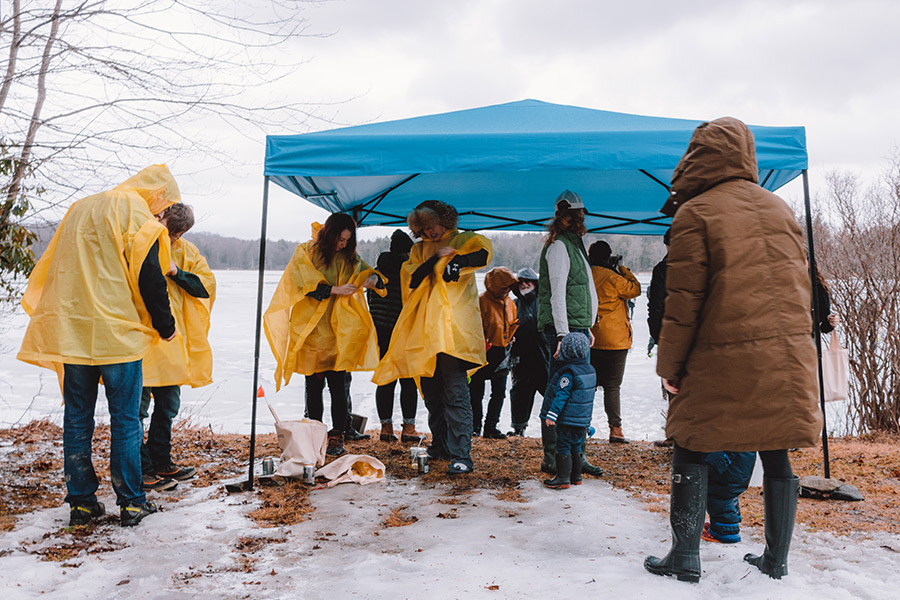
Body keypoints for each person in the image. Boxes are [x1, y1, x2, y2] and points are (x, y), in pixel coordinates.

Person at [644, 117, 822, 583]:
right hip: (783, 357)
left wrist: (670, 367)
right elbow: (799, 288)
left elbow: (683, 304)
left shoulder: (695, 213)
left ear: (696, 157)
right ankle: (776, 559)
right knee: (776, 449)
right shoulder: (778, 208)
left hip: (717, 356)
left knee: (689, 444)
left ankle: (685, 554)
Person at [18, 164, 180, 527]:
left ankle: (81, 502)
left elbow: (56, 264)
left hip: (74, 331)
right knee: (125, 420)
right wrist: (165, 325)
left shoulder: (81, 208)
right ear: (157, 196)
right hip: (117, 336)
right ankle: (132, 502)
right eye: (164, 206)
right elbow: (149, 274)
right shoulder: (137, 213)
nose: (162, 213)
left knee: (77, 418)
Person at [373, 200, 492, 475]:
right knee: (432, 395)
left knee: (456, 393)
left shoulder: (463, 240)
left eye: (433, 225)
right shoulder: (417, 250)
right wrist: (437, 259)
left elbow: (484, 253)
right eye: (423, 228)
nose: (430, 231)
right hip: (425, 335)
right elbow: (412, 279)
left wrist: (460, 260)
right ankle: (440, 445)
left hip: (453, 333)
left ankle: (462, 454)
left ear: (445, 220)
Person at [264, 213, 384, 457]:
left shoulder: (349, 257)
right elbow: (299, 283)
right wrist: (333, 290)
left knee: (339, 385)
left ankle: (337, 435)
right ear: (330, 234)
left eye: (347, 241)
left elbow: (369, 274)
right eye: (340, 239)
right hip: (311, 330)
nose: (342, 245)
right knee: (314, 384)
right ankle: (315, 433)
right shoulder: (307, 251)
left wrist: (373, 280)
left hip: (338, 333)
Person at [140, 203, 216, 491]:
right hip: (143, 340)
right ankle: (143, 469)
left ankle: (161, 461)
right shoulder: (143, 241)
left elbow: (205, 285)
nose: (169, 238)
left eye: (174, 235)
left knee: (168, 405)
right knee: (137, 410)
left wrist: (175, 272)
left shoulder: (187, 251)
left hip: (172, 341)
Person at [536, 190, 602, 478]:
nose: (579, 220)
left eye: (579, 215)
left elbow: (584, 287)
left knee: (579, 393)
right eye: (576, 215)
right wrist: (563, 335)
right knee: (560, 391)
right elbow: (557, 294)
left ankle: (576, 456)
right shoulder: (560, 247)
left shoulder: (575, 245)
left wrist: (586, 327)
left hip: (578, 328)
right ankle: (554, 458)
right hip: (565, 331)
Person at [367, 229, 421, 443]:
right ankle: (409, 428)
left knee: (385, 380)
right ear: (408, 252)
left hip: (381, 333)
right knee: (408, 381)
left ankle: (386, 429)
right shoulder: (409, 272)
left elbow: (371, 303)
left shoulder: (376, 272)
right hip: (405, 333)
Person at [587, 240, 641, 444]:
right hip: (615, 341)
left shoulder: (585, 274)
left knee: (586, 385)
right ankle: (615, 430)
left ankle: (581, 425)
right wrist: (621, 267)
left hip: (590, 336)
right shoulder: (613, 277)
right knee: (612, 387)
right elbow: (635, 289)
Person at [539, 333, 596, 489]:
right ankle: (576, 477)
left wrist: (552, 415)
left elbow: (561, 396)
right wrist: (587, 421)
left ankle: (563, 478)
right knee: (577, 447)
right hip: (581, 420)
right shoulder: (589, 370)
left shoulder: (568, 374)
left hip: (567, 420)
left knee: (563, 447)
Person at [469, 266, 519, 439]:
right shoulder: (481, 301)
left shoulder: (510, 302)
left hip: (503, 352)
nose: (506, 290)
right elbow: (473, 327)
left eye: (508, 287)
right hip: (482, 352)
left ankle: (491, 427)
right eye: (503, 287)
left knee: (499, 392)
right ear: (494, 285)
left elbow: (513, 323)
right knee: (476, 390)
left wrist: (511, 338)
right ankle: (474, 426)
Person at [507, 267, 550, 436]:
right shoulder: (513, 305)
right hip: (521, 359)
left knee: (551, 393)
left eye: (528, 281)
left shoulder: (545, 303)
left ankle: (556, 427)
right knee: (520, 394)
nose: (524, 284)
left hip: (543, 357)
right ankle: (518, 428)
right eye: (521, 282)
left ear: (535, 283)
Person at [701, 451, 757, 544]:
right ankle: (730, 524)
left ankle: (724, 531)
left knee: (719, 493)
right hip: (741, 464)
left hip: (728, 462)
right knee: (730, 492)